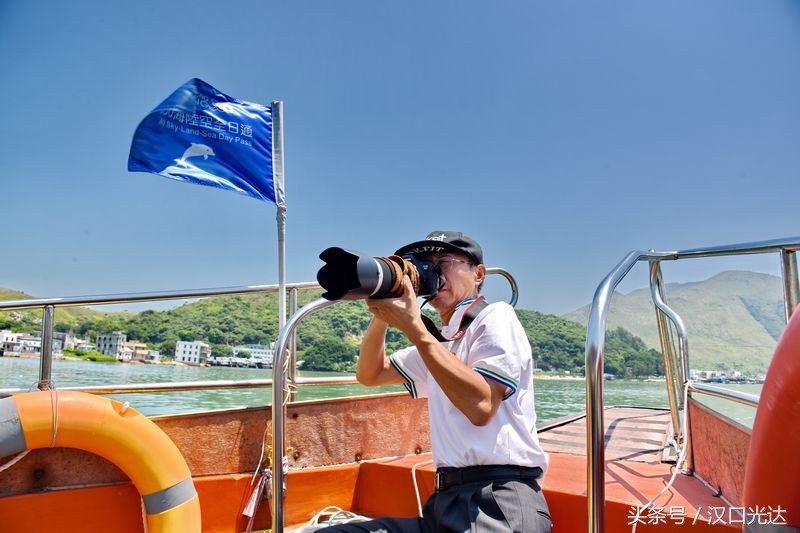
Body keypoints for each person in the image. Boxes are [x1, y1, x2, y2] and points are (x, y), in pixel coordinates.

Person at [320, 230, 551, 533]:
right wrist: (384, 312)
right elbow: (370, 374)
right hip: (445, 503)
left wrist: (414, 328)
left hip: (499, 499)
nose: (433, 272)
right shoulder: (439, 345)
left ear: (478, 274)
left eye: (444, 261)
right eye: (424, 264)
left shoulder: (496, 317)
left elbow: (481, 406)